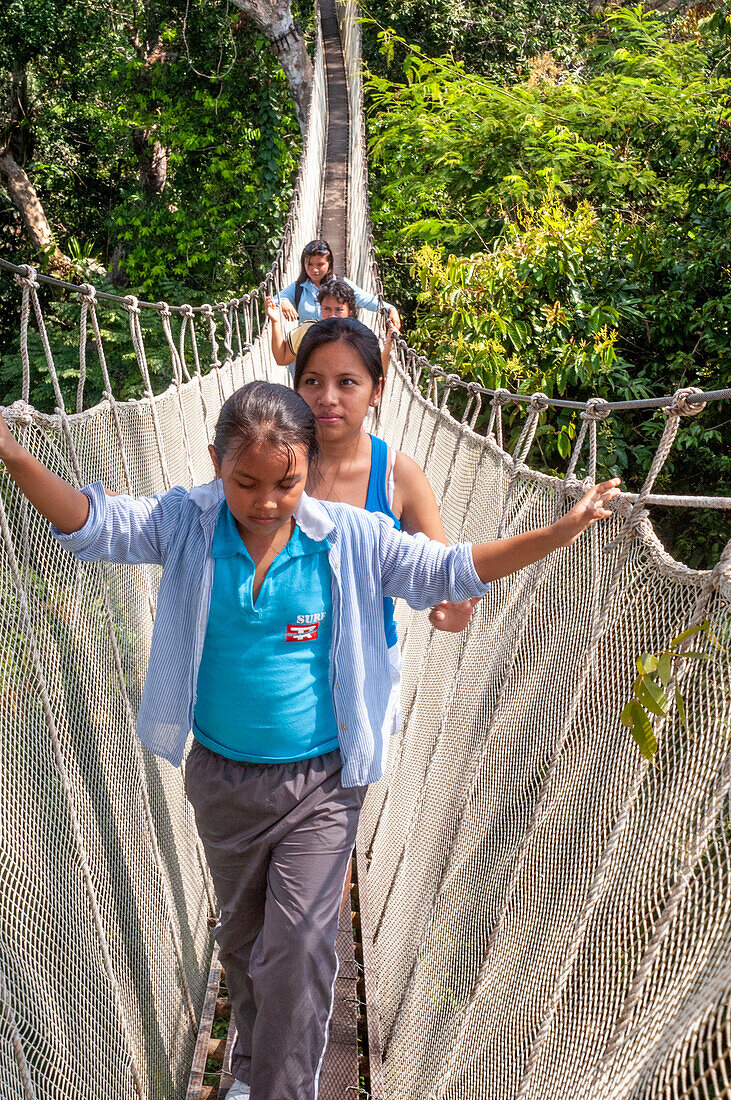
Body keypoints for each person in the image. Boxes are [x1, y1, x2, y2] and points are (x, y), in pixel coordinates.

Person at [0, 385, 619, 1100]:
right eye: (246, 483)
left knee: (295, 947)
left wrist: (556, 533)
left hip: (322, 783)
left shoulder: (349, 538)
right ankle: (249, 1067)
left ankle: (279, 1090)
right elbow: (96, 523)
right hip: (223, 779)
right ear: (214, 465)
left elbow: (447, 569)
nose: (266, 502)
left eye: (287, 483)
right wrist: (14, 456)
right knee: (245, 942)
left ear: (310, 469)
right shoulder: (187, 524)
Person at [273, 239, 401, 331]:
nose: (314, 270)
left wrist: (390, 308)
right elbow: (272, 301)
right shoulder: (298, 288)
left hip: (337, 349)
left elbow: (367, 300)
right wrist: (283, 301)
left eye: (320, 264)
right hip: (307, 354)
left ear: (329, 263)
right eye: (309, 264)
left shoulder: (341, 285)